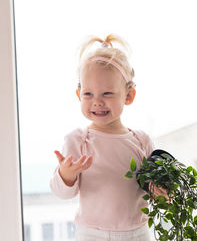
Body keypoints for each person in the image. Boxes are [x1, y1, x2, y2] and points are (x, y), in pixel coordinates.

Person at [50, 34, 167, 241]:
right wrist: (66, 175)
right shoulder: (79, 140)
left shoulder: (141, 141)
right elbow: (63, 194)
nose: (97, 102)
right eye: (88, 94)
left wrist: (163, 192)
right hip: (93, 235)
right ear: (79, 95)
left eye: (107, 94)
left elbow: (152, 187)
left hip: (138, 233)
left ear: (128, 96)